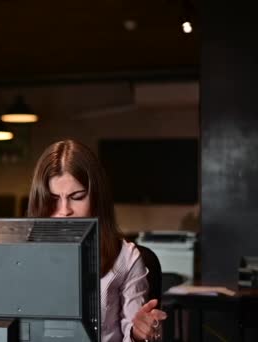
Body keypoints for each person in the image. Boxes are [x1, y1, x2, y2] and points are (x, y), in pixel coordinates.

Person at [27, 139, 167, 342]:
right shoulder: (21, 254)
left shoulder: (125, 258)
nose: (64, 211)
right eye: (54, 198)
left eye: (77, 197)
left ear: (96, 198)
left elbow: (134, 331)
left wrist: (138, 333)